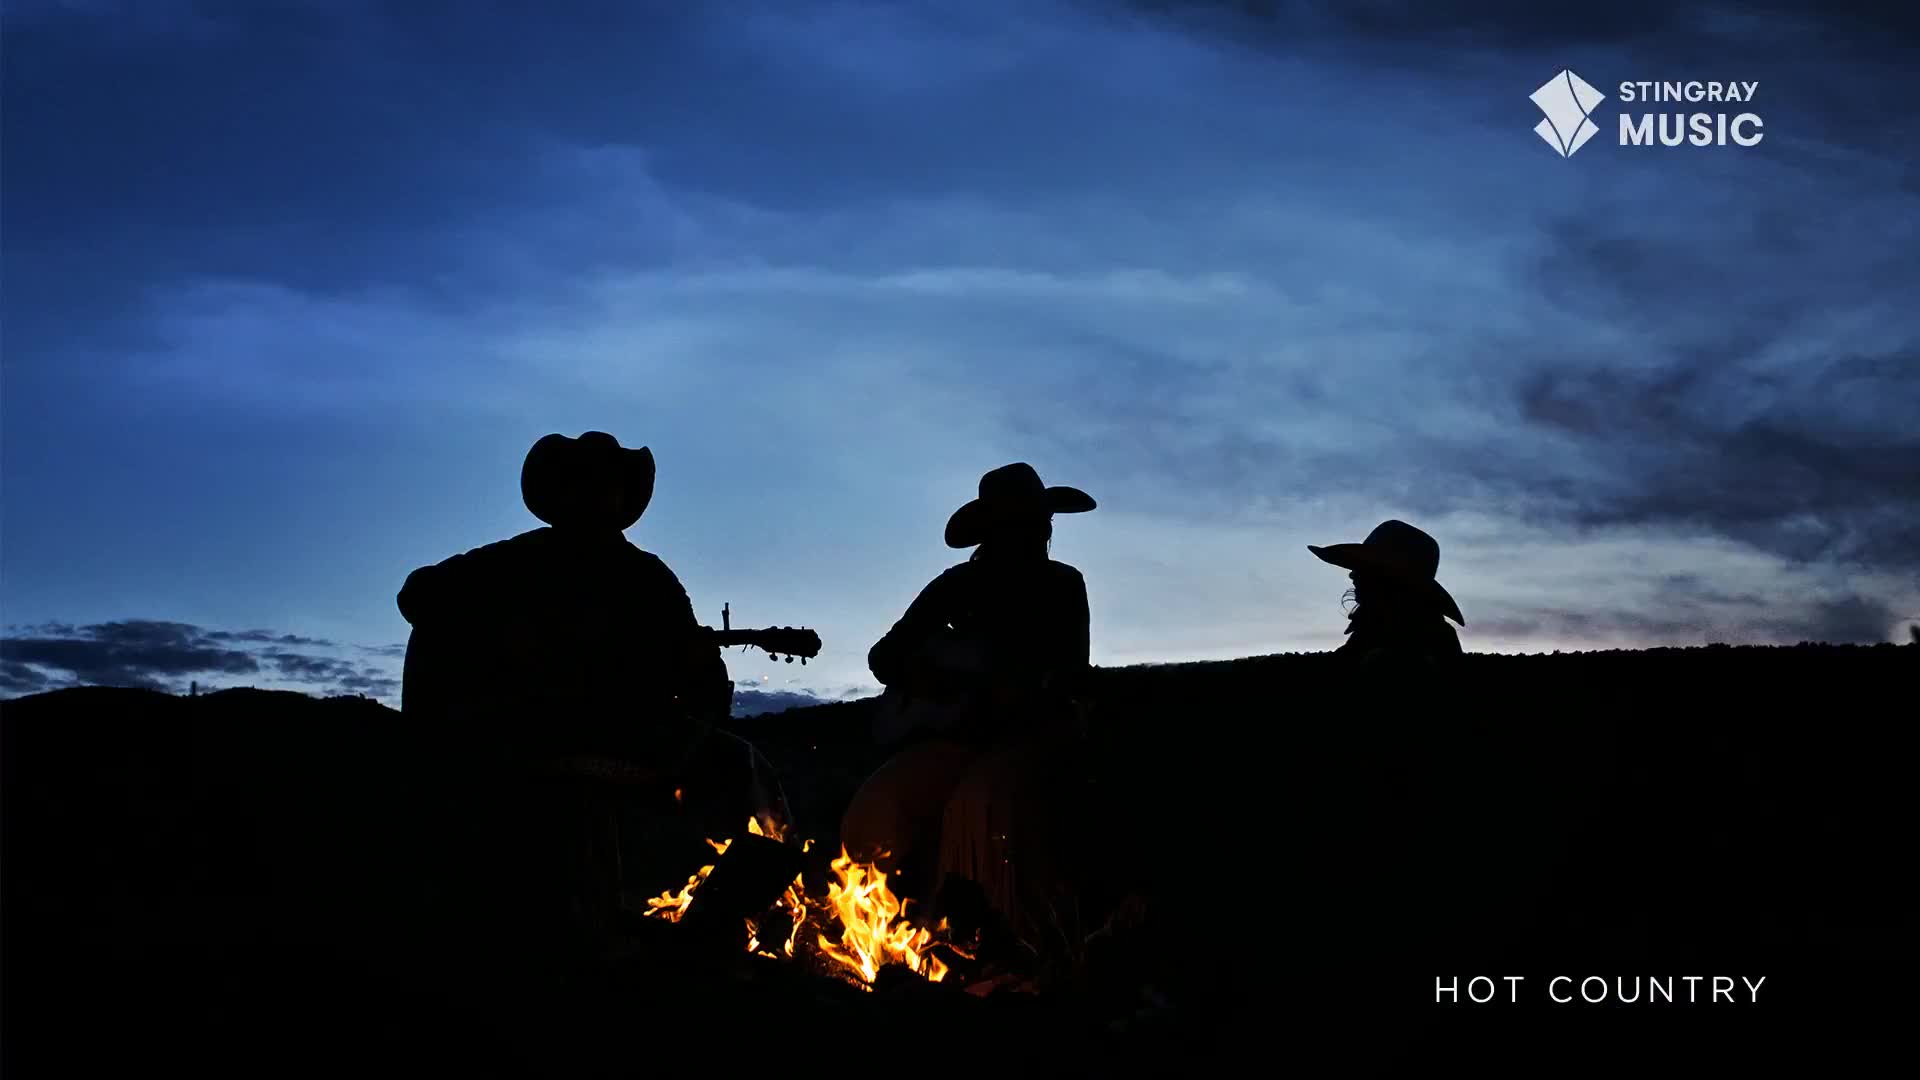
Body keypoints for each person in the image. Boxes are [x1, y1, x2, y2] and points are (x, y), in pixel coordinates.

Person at [396, 431, 785, 951]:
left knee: (747, 768)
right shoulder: (512, 562)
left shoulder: (649, 579)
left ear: (623, 498)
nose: (594, 495)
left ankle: (718, 930)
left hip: (612, 731)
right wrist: (519, 654)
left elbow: (698, 678)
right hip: (514, 732)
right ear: (558, 495)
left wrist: (700, 694)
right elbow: (419, 592)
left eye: (607, 484)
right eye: (581, 483)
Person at [840, 462, 1096, 948]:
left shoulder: (1064, 584)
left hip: (1038, 732)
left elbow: (1070, 672)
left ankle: (988, 944)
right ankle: (879, 934)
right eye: (1029, 518)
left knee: (978, 801)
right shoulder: (956, 585)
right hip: (960, 737)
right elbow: (884, 656)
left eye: (1041, 518)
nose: (1042, 528)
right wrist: (929, 678)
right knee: (876, 806)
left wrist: (1029, 690)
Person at [1308, 518, 1465, 673]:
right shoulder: (1370, 630)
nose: (1352, 575)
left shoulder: (1423, 645)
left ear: (1392, 579)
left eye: (1365, 568)